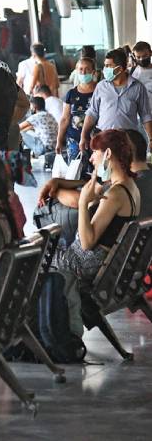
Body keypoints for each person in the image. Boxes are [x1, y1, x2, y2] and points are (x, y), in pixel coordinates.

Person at [53, 130, 140, 336]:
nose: (91, 158)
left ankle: (45, 326)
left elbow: (87, 242)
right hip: (106, 261)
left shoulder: (117, 194)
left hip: (86, 263)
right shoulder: (129, 187)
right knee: (46, 245)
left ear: (107, 153)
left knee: (38, 254)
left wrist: (83, 202)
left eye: (95, 152)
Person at [36, 128, 152, 246]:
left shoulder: (119, 189)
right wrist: (57, 182)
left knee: (53, 212)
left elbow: (81, 198)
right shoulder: (136, 180)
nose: (91, 158)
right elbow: (96, 184)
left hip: (96, 251)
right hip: (138, 248)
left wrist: (56, 192)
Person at [80, 47, 152, 152]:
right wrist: (83, 136)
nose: (105, 69)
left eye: (108, 66)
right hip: (103, 139)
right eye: (105, 65)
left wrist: (151, 138)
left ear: (120, 68)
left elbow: (145, 116)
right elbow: (92, 113)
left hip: (127, 141)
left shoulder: (137, 87)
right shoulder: (101, 87)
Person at [57, 57, 96, 160]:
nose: (83, 72)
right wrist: (59, 140)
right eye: (80, 69)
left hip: (95, 140)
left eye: (87, 69)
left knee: (96, 173)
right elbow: (65, 119)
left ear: (93, 72)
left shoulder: (99, 91)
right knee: (75, 172)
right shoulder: (71, 93)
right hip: (74, 140)